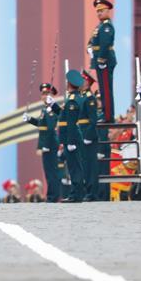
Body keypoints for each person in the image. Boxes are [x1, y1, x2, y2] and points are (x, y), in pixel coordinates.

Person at [22, 82, 62, 202]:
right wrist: (29, 119)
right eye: (43, 94)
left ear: (52, 95)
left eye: (47, 93)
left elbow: (49, 129)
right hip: (47, 144)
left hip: (49, 144)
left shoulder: (51, 109)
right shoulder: (45, 109)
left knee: (52, 173)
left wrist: (44, 146)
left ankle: (53, 197)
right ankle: (51, 196)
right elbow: (41, 125)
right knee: (49, 173)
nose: (44, 96)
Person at [57, 70, 87, 203]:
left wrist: (70, 141)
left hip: (72, 138)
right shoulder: (73, 99)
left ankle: (76, 194)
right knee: (74, 167)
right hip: (71, 137)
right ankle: (76, 193)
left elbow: (70, 122)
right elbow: (63, 116)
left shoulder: (73, 101)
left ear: (69, 83)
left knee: (75, 168)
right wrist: (53, 105)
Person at [88, 0, 116, 122]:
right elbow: (92, 41)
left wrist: (101, 59)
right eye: (97, 11)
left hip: (104, 61)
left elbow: (105, 43)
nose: (99, 13)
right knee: (103, 89)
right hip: (99, 60)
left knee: (106, 89)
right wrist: (89, 47)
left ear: (107, 11)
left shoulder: (106, 26)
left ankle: (108, 116)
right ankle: (105, 113)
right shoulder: (99, 26)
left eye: (102, 10)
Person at [78, 70, 101, 202]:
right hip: (82, 133)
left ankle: (92, 192)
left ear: (88, 83)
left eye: (83, 80)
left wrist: (87, 136)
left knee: (91, 165)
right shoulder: (81, 97)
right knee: (85, 164)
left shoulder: (90, 98)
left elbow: (93, 120)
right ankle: (87, 190)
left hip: (89, 135)